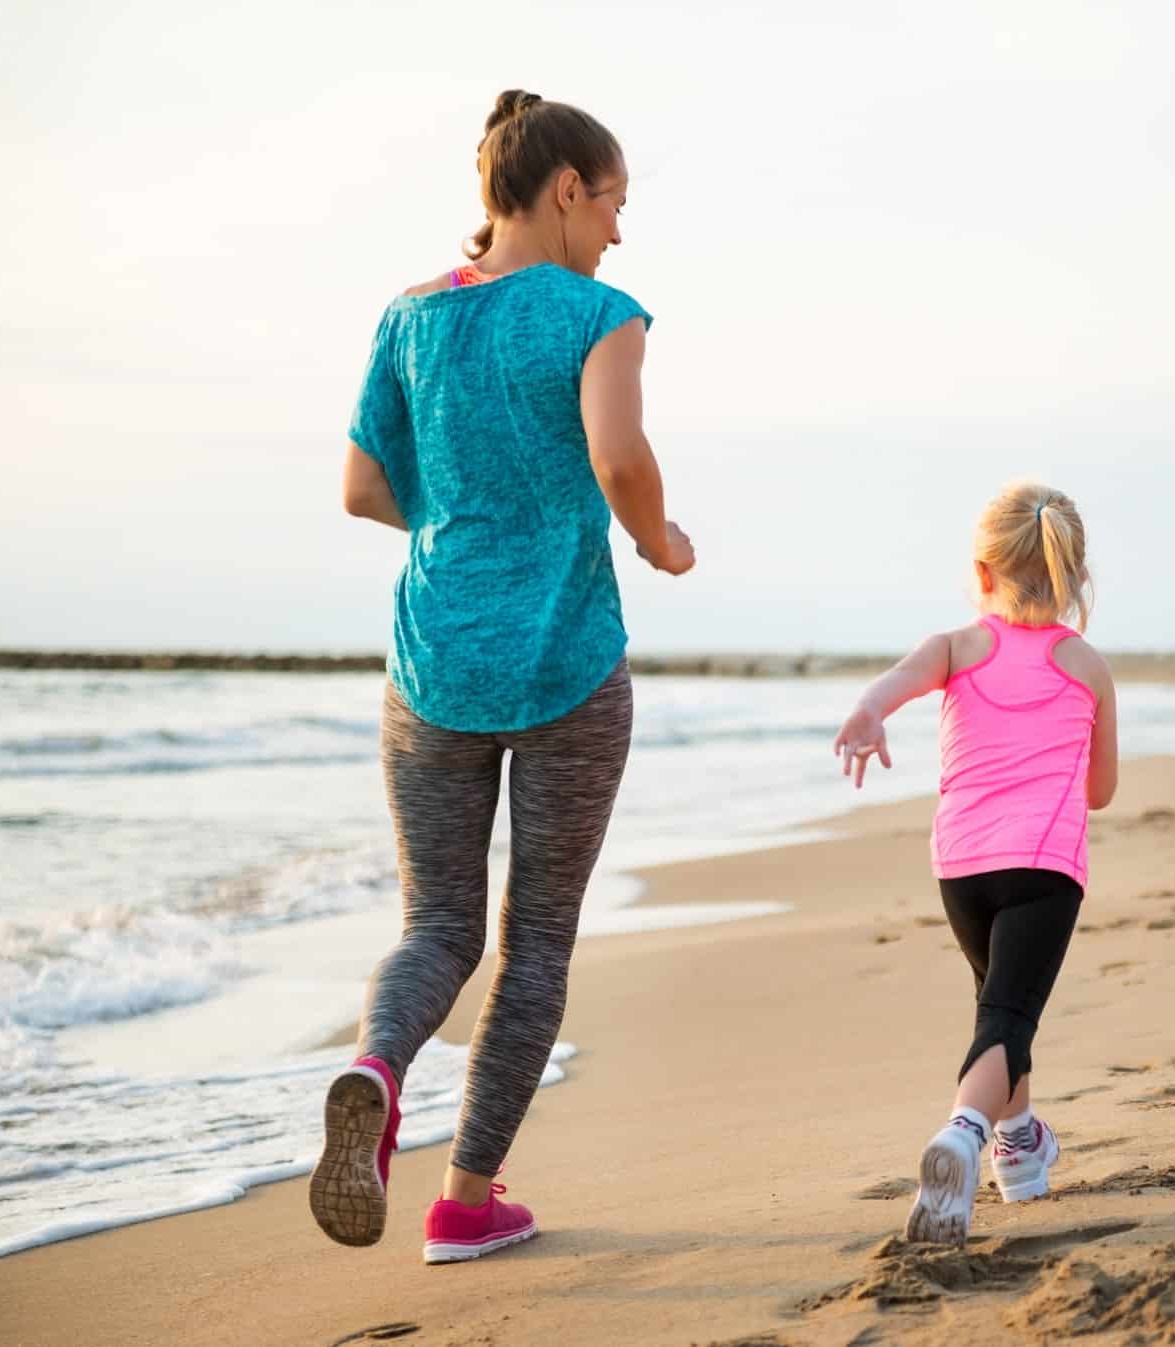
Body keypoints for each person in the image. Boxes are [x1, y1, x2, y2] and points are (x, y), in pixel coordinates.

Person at [310, 89, 694, 1265]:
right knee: (536, 942)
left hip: (431, 665)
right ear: (567, 191)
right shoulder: (598, 314)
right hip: (568, 661)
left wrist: (467, 527)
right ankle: (466, 1203)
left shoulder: (411, 316)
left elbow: (363, 490)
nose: (621, 233)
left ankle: (378, 1065)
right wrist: (659, 539)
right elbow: (619, 457)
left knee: (437, 925)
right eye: (615, 204)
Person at [833, 482, 1118, 1244]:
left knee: (999, 1004)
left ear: (982, 573)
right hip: (1044, 867)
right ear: (1072, 577)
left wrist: (866, 713)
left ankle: (1018, 1148)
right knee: (1006, 1014)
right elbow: (1100, 791)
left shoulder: (953, 647)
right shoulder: (1085, 665)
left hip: (960, 865)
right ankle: (962, 1134)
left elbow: (887, 689)